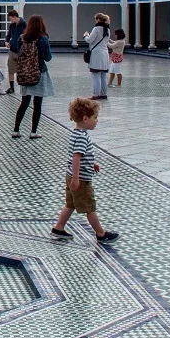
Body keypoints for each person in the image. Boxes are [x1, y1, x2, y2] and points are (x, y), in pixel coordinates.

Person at [51, 97, 119, 244]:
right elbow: (76, 157)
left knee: (70, 204)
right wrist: (76, 178)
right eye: (95, 117)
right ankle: (101, 234)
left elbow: (80, 156)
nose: (97, 121)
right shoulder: (82, 137)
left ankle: (59, 227)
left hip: (71, 175)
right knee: (90, 207)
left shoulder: (76, 133)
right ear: (86, 118)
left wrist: (91, 163)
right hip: (80, 179)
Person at [13, 15, 54, 139]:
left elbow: (17, 52)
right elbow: (48, 57)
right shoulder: (43, 39)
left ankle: (16, 130)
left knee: (24, 102)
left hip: (25, 73)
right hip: (39, 73)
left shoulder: (23, 38)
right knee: (37, 103)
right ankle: (33, 131)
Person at [83, 13, 112, 100]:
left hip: (96, 54)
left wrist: (86, 35)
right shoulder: (108, 29)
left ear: (98, 19)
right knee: (103, 75)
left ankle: (96, 94)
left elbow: (90, 40)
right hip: (105, 53)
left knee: (95, 75)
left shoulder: (96, 29)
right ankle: (103, 93)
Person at [5, 9, 26, 95]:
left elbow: (26, 36)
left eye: (10, 18)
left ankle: (23, 86)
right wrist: (6, 41)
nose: (10, 20)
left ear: (15, 17)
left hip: (20, 50)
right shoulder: (12, 25)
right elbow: (9, 35)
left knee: (21, 69)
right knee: (11, 69)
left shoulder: (24, 24)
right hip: (12, 50)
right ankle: (11, 87)